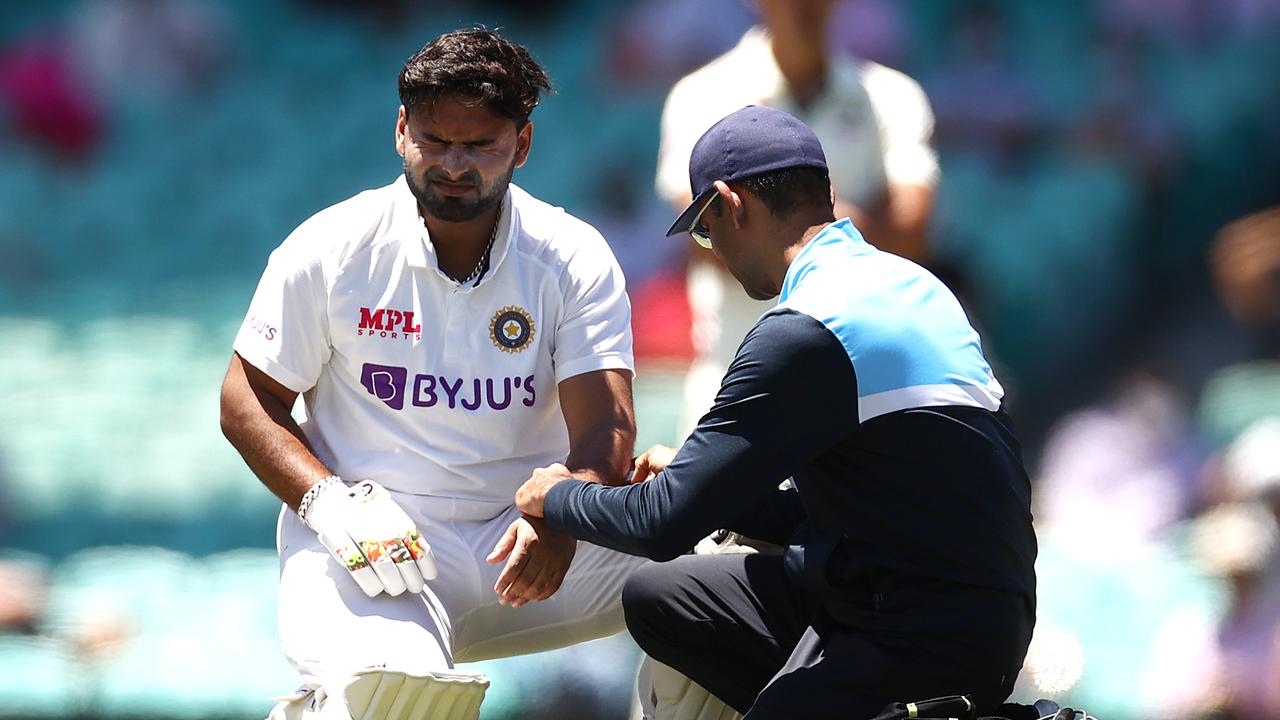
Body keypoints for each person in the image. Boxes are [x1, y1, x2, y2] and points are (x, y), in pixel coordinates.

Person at [516, 106, 1036, 719]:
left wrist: (553, 496)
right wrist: (708, 485)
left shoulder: (807, 327)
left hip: (918, 634)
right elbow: (871, 508)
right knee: (662, 597)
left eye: (706, 231)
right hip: (965, 607)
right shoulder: (916, 287)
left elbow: (661, 526)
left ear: (732, 206)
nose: (713, 253)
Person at [219, 29, 645, 720]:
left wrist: (564, 515)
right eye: (433, 140)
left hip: (533, 544)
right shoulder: (332, 247)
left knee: (723, 577)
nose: (453, 165)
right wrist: (326, 502)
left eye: (480, 146)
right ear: (400, 130)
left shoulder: (571, 256)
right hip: (375, 553)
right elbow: (246, 401)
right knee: (403, 701)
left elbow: (606, 426)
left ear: (523, 145)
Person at [655, 0, 939, 436]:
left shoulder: (895, 97)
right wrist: (847, 226)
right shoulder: (700, 96)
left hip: (863, 392)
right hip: (737, 387)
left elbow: (912, 234)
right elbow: (705, 238)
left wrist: (771, 220)